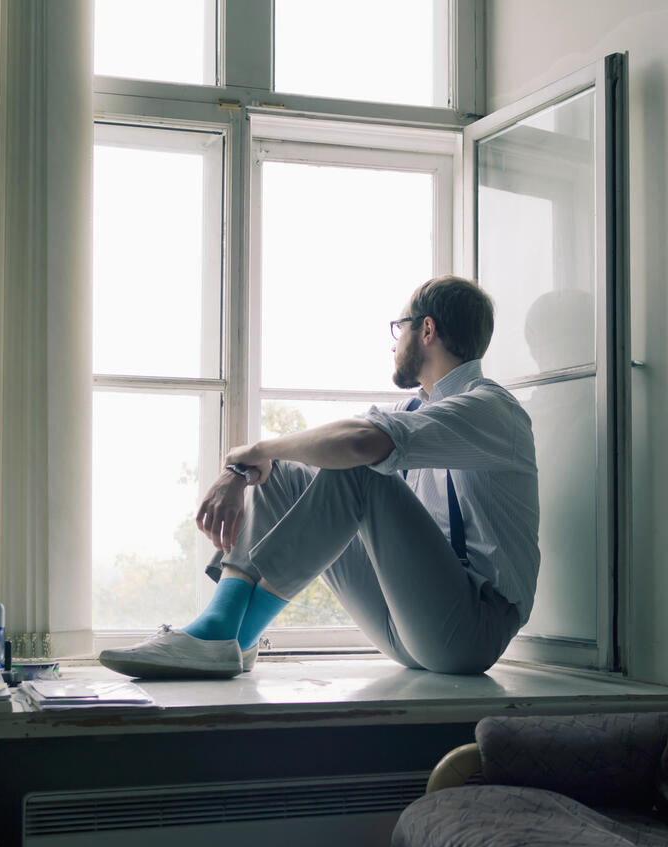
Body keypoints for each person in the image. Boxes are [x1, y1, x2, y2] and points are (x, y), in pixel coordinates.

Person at [98, 275, 540, 679]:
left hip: (471, 630)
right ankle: (230, 635)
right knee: (287, 475)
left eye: (398, 327)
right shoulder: (413, 413)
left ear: (426, 330)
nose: (392, 343)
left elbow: (358, 445)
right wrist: (243, 470)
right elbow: (335, 448)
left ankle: (218, 638)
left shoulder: (491, 410)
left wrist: (252, 451)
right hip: (408, 623)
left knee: (360, 471)